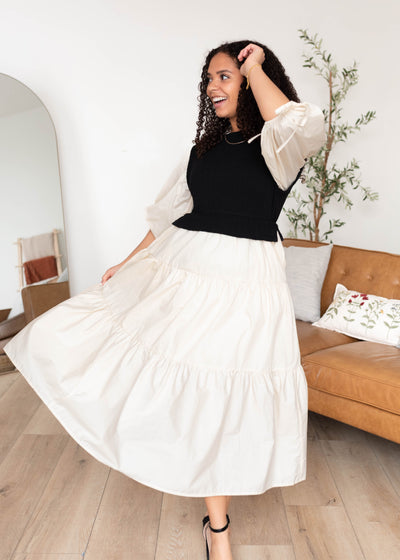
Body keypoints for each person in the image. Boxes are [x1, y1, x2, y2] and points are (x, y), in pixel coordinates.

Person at [4, 40, 326, 560]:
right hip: (185, 272)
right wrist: (127, 262)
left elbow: (302, 121)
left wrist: (255, 64)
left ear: (248, 80)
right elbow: (168, 215)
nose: (212, 87)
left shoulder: (278, 146)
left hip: (247, 286)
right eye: (208, 79)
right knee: (186, 390)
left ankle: (215, 529)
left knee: (224, 397)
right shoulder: (202, 151)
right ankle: (217, 527)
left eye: (223, 76)